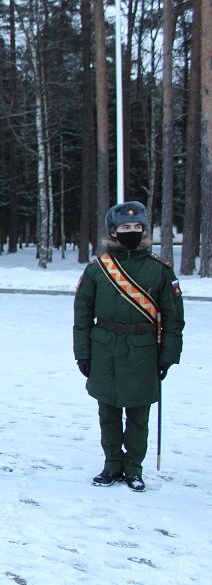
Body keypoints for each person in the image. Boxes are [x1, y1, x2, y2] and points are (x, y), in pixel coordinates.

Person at [73, 201, 184, 493]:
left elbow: (174, 318)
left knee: (138, 414)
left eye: (137, 227)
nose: (132, 232)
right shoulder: (98, 270)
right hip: (104, 348)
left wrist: (168, 356)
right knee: (107, 410)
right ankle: (112, 465)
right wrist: (82, 354)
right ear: (114, 231)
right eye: (125, 227)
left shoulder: (158, 269)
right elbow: (82, 315)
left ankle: (134, 468)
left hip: (144, 350)